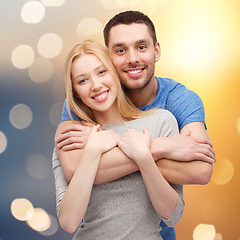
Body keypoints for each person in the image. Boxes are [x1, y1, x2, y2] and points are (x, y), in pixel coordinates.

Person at [54, 10, 215, 239]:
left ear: (156, 50)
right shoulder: (85, 103)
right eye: (120, 50)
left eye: (141, 47)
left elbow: (200, 170)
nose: (132, 59)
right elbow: (71, 170)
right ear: (109, 57)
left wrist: (114, 154)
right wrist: (158, 148)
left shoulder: (175, 104)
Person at [55, 39, 184, 239]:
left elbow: (172, 215)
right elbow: (69, 222)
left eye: (101, 72)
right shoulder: (74, 139)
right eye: (83, 80)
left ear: (115, 73)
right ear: (76, 93)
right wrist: (93, 150)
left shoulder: (160, 122)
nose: (96, 85)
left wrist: (144, 157)